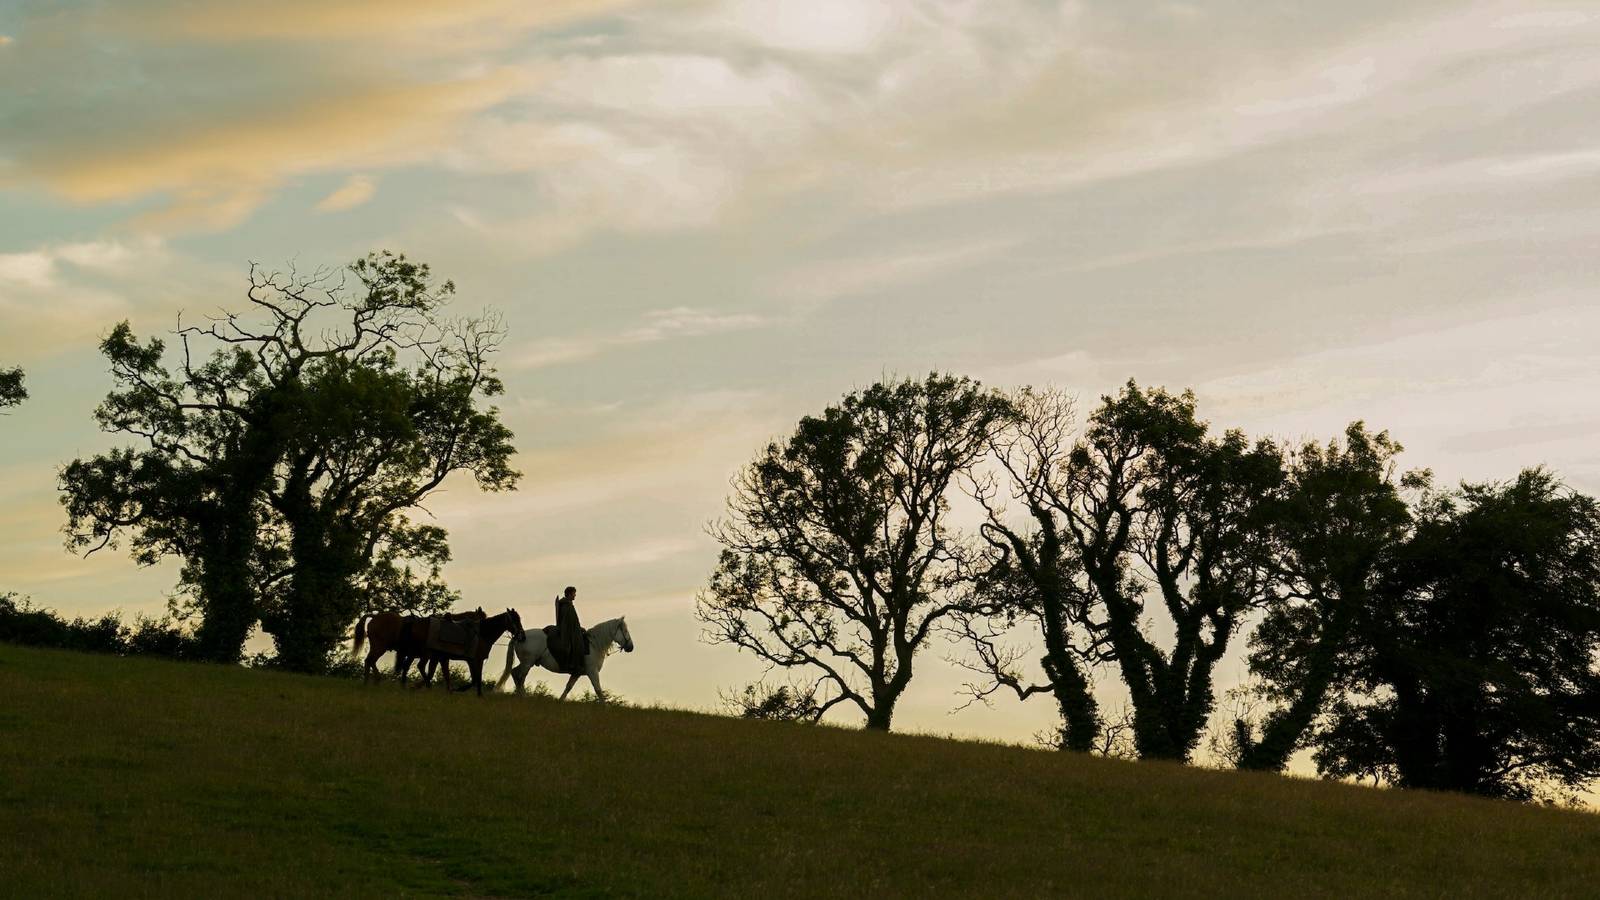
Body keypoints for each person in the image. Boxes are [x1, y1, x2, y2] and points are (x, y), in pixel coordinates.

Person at [548, 585, 590, 674]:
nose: (575, 595)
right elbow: (569, 622)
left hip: (572, 629)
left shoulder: (568, 604)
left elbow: (573, 621)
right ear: (570, 594)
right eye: (574, 593)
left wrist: (579, 628)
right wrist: (578, 629)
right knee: (578, 643)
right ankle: (575, 665)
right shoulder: (566, 606)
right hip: (568, 631)